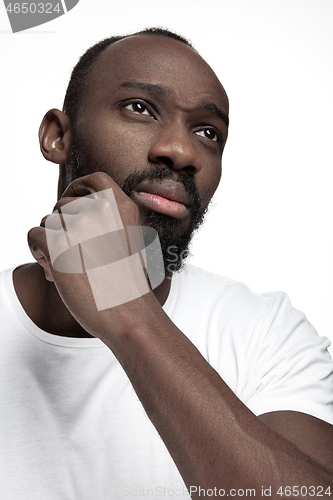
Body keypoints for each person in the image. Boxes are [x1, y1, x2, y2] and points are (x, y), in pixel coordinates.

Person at [0, 27, 332, 499]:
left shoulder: (265, 332)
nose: (180, 152)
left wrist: (129, 311)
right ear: (58, 137)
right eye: (139, 107)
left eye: (207, 132)